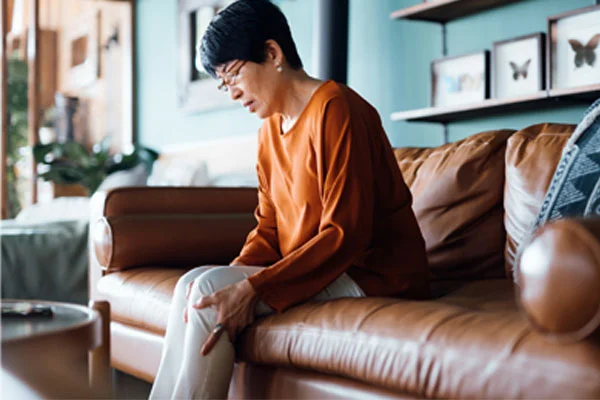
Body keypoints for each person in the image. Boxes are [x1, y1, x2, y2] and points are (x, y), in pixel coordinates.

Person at [149, 1, 429, 398]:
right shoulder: (268, 132)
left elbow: (345, 234)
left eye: (231, 75)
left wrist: (252, 289)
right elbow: (268, 228)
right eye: (221, 83)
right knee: (194, 287)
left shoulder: (337, 108)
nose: (231, 93)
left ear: (272, 53)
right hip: (320, 270)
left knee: (209, 290)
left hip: (375, 274)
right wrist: (234, 278)